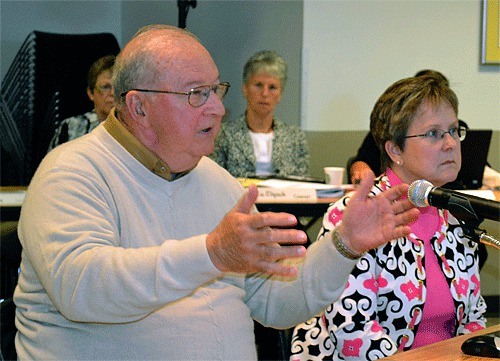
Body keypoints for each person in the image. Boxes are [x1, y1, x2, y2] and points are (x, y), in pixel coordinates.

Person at [14, 25, 418, 360]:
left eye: (215, 89)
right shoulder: (71, 172)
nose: (218, 109)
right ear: (138, 107)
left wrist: (344, 246)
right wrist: (211, 253)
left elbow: (275, 303)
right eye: (196, 94)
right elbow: (82, 289)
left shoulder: (217, 182)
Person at [290, 75, 487, 360]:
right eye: (434, 133)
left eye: (454, 130)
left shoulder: (455, 215)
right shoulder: (353, 215)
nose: (450, 143)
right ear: (395, 150)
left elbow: (475, 317)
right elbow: (352, 332)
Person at [211, 50, 309, 178]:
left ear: (280, 94)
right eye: (258, 85)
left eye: (272, 87)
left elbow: (304, 187)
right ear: (245, 89)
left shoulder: (296, 138)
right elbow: (216, 182)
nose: (265, 94)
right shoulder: (223, 135)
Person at [47, 54, 116, 151]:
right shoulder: (71, 127)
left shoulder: (135, 128)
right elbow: (53, 164)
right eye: (106, 87)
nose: (113, 93)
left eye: (118, 87)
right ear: (91, 93)